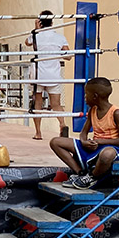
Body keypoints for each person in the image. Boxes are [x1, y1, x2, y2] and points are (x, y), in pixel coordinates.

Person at [49, 77, 119, 189]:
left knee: (107, 155)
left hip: (110, 147)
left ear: (95, 96)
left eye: (86, 94)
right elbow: (83, 133)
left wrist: (100, 141)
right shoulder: (93, 110)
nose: (85, 97)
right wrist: (84, 141)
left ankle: (92, 177)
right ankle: (80, 173)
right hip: (94, 146)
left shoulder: (116, 113)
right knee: (55, 142)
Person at [25, 10, 70, 140]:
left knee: (37, 103)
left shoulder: (36, 36)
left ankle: (38, 132)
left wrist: (35, 30)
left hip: (38, 74)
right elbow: (68, 56)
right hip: (53, 74)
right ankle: (62, 124)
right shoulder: (60, 37)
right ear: (52, 22)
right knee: (56, 104)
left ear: (40, 22)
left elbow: (27, 42)